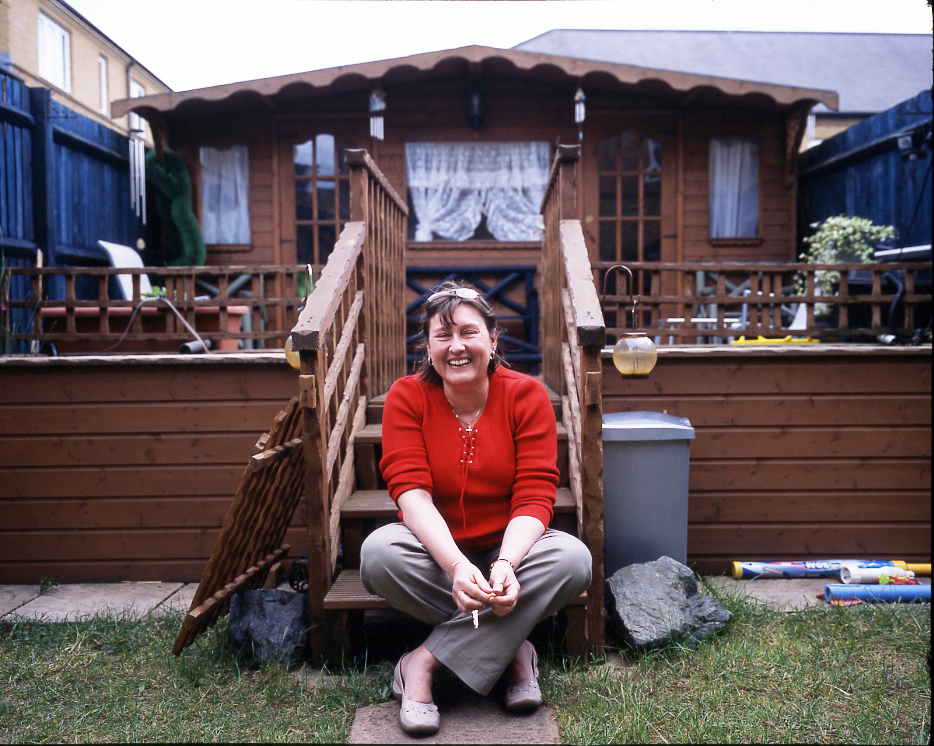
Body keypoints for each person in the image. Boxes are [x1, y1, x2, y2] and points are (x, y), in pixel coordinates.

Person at [359, 281, 593, 735]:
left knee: (572, 559)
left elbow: (535, 494)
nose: (457, 346)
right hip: (435, 554)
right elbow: (411, 494)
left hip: (512, 550)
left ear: (493, 338)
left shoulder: (526, 396)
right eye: (443, 336)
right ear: (428, 346)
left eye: (468, 332)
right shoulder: (406, 397)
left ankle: (420, 664)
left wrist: (506, 564)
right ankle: (514, 647)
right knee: (378, 553)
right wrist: (456, 567)